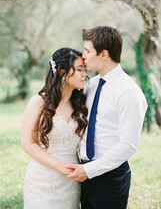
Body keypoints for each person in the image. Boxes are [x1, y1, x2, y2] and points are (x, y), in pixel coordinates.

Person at [66, 26, 148, 209]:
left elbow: (129, 144)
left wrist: (90, 170)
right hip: (83, 172)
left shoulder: (129, 92)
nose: (83, 55)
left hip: (110, 177)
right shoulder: (91, 85)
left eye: (87, 51)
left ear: (104, 54)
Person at [21, 47, 88, 209]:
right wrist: (58, 165)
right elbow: (27, 143)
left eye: (84, 70)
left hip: (71, 181)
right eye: (79, 69)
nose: (84, 74)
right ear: (63, 72)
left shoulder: (81, 104)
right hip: (42, 181)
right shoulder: (38, 102)